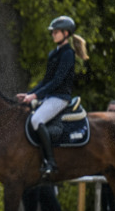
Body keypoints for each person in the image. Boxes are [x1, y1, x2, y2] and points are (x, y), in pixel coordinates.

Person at [16, 15, 89, 179]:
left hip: (60, 98)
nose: (53, 35)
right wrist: (29, 94)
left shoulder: (68, 54)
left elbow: (57, 81)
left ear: (66, 33)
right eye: (52, 32)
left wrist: (35, 95)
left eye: (56, 32)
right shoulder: (53, 54)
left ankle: (51, 162)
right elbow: (46, 81)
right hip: (49, 97)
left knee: (36, 120)